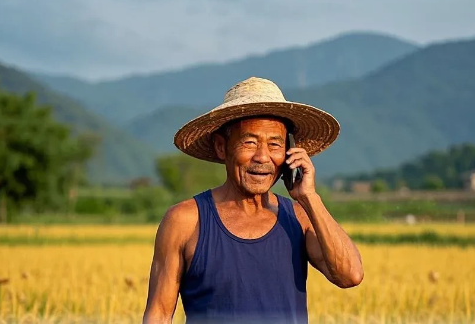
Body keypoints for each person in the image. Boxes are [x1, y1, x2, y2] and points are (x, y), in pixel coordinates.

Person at [143, 77, 364, 324]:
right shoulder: (185, 221)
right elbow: (159, 314)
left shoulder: (299, 217)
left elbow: (350, 276)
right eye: (249, 142)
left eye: (275, 145)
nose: (262, 157)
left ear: (289, 152)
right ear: (220, 147)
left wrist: (309, 197)